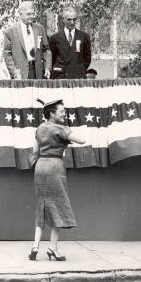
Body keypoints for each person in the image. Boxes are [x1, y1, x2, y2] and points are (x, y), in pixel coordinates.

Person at [28, 99, 87, 261]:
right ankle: (53, 249)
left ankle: (35, 247)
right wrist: (66, 135)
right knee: (57, 206)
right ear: (52, 113)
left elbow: (34, 151)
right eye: (61, 111)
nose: (64, 113)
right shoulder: (60, 128)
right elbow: (82, 140)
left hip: (40, 167)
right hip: (55, 167)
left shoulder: (39, 128)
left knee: (42, 205)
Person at [3, 1, 51, 80]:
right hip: (20, 74)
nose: (32, 16)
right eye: (28, 14)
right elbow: (7, 54)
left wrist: (47, 68)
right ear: (20, 14)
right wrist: (14, 72)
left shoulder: (40, 29)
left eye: (33, 13)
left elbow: (46, 50)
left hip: (38, 73)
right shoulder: (10, 32)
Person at [48, 6, 92, 79]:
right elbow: (51, 58)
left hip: (78, 77)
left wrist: (80, 69)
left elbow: (87, 58)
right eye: (69, 19)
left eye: (74, 19)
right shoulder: (54, 38)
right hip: (60, 77)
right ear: (63, 19)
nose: (72, 22)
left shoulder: (84, 37)